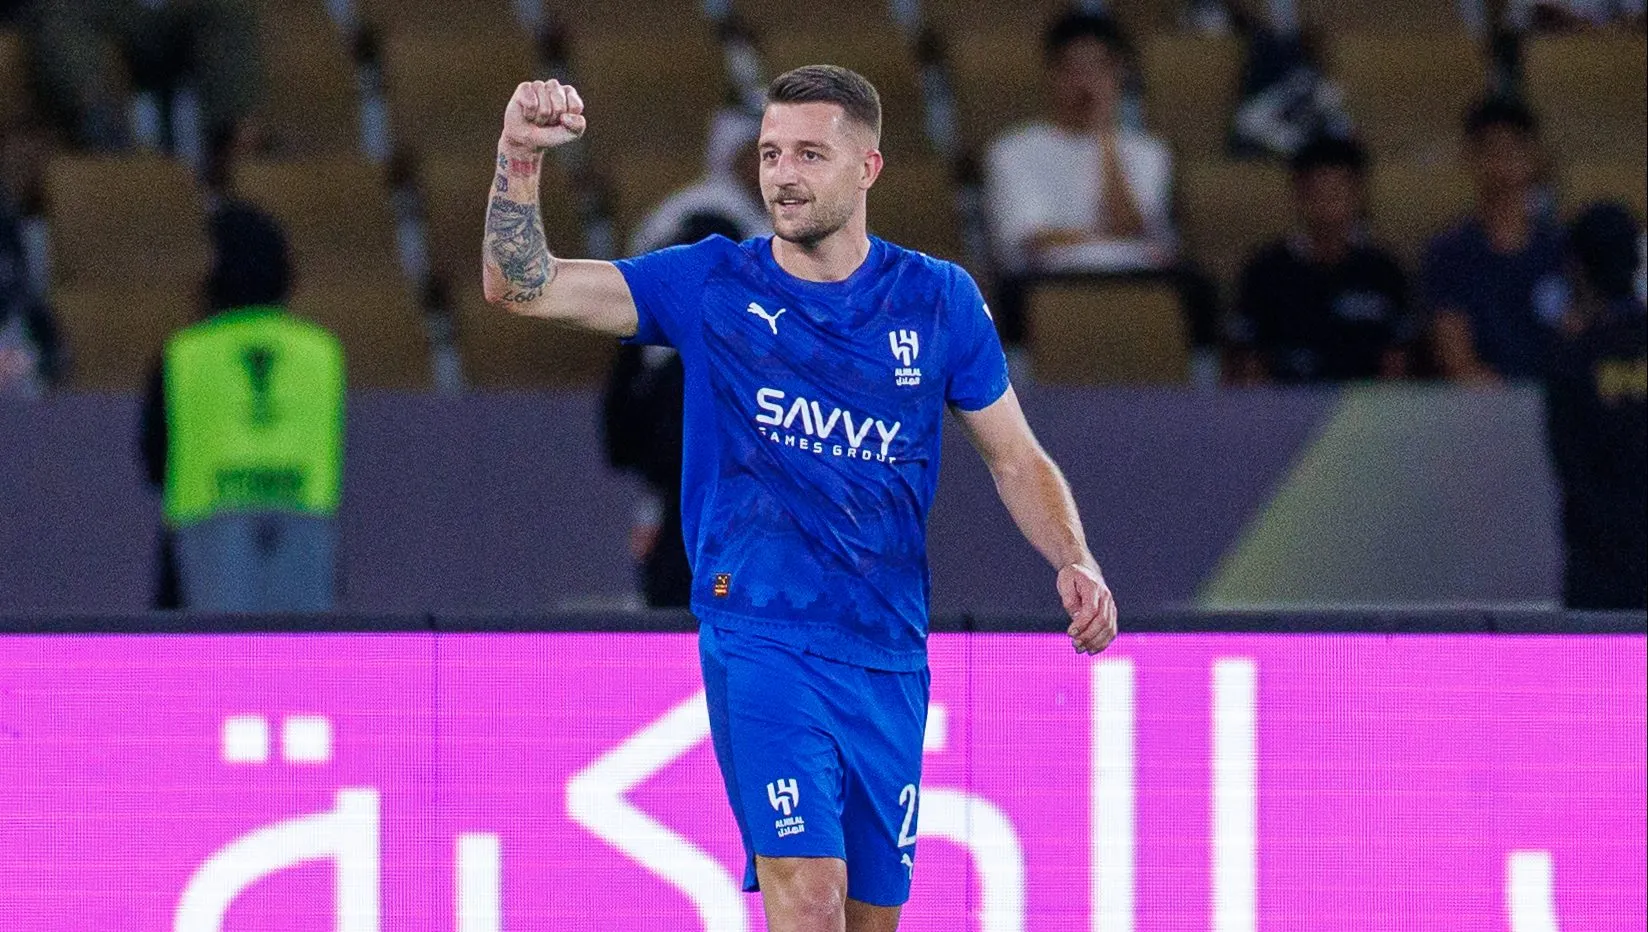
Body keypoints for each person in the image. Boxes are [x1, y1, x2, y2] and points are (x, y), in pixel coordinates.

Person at [482, 68, 1118, 930]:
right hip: (763, 635)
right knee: (809, 899)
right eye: (773, 153)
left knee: (864, 919)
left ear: (867, 168)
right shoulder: (712, 285)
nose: (782, 173)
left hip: (888, 654)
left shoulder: (938, 301)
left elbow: (1014, 457)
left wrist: (1072, 556)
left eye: (809, 155)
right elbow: (521, 285)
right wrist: (519, 154)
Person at [139, 203, 345, 611]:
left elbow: (153, 459)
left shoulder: (183, 354)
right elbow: (337, 442)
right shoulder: (322, 352)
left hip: (203, 548)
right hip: (305, 540)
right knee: (299, 666)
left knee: (211, 670)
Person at [603, 110, 772, 607]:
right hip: (689, 528)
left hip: (737, 530)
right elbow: (622, 443)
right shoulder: (707, 213)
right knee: (686, 611)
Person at [983, 11, 1175, 275]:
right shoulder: (1011, 150)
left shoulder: (1150, 152)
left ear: (1118, 75)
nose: (1086, 83)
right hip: (1049, 283)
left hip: (1133, 280)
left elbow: (1131, 227)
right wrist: (1108, 243)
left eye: (1099, 69)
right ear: (1050, 74)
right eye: (1073, 70)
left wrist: (1104, 136)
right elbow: (1035, 240)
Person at [1226, 135, 1417, 383]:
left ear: (1358, 194)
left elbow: (1397, 362)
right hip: (1284, 407)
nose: (1328, 204)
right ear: (1298, 194)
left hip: (1365, 409)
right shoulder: (1265, 270)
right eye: (1317, 192)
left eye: (1338, 191)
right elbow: (1248, 361)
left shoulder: (1384, 271)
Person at [1543, 201, 1646, 610]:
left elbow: (1568, 463)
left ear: (1577, 267)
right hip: (1606, 559)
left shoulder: (1570, 355)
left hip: (1599, 565)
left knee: (1593, 674)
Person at [1423, 96, 1567, 382]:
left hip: (1561, 404)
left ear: (1534, 157)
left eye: (1513, 150)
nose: (1502, 164)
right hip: (1486, 410)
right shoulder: (1448, 253)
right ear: (1471, 158)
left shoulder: (1565, 249)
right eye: (1491, 151)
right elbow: (1459, 360)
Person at [22, 0, 263, 152]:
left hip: (162, 14)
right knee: (62, 16)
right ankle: (109, 144)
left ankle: (234, 150)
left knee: (230, 8)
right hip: (84, 13)